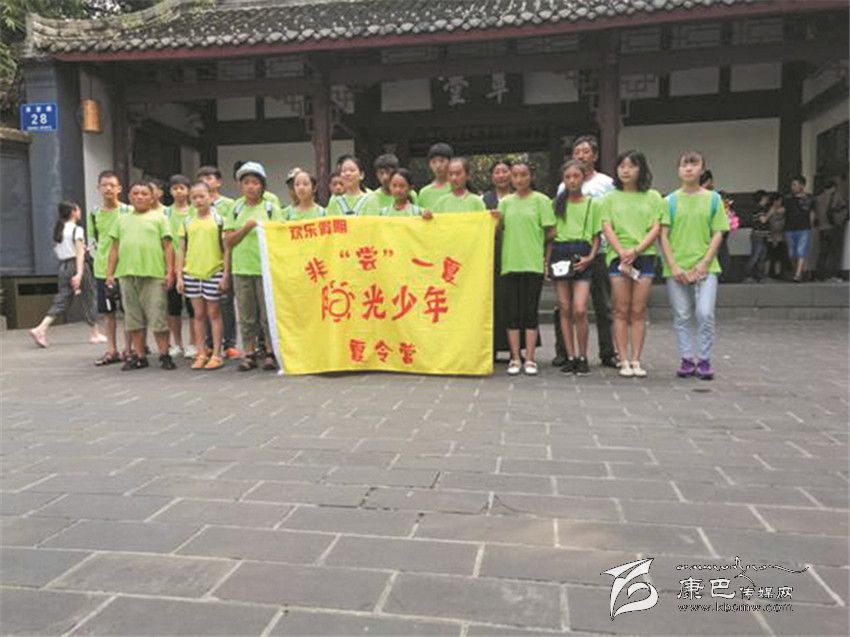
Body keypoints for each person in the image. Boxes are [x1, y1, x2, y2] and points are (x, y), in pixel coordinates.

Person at [660, 151, 730, 381]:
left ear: (702, 169)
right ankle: (687, 358)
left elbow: (718, 232)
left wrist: (705, 263)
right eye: (684, 165)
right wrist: (673, 266)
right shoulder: (669, 201)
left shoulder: (713, 199)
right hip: (676, 267)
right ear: (678, 170)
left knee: (705, 313)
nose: (689, 168)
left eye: (694, 164)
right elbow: (663, 235)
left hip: (706, 267)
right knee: (681, 315)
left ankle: (705, 359)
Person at [554, 135, 617, 369]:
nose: (581, 155)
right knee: (564, 306)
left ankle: (607, 352)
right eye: (577, 151)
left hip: (597, 251)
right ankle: (565, 353)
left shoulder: (606, 183)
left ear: (595, 155)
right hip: (564, 252)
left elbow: (610, 215)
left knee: (602, 303)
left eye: (586, 151)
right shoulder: (562, 189)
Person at [601, 150, 663, 379]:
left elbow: (656, 227)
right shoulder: (609, 198)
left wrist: (637, 250)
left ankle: (636, 359)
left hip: (644, 256)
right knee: (620, 309)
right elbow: (606, 226)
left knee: (638, 310)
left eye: (631, 166)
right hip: (618, 257)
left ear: (641, 169)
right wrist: (622, 251)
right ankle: (623, 359)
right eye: (622, 166)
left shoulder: (653, 197)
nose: (626, 170)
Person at [106, 182, 176, 371]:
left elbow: (168, 247)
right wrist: (110, 273)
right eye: (135, 193)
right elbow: (114, 249)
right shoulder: (121, 220)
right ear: (129, 196)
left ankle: (164, 354)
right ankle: (139, 355)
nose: (139, 197)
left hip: (154, 274)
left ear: (152, 197)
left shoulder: (160, 218)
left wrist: (170, 271)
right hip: (127, 274)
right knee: (133, 317)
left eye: (144, 194)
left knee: (158, 316)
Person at [497, 160, 556, 376]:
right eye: (515, 175)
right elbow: (497, 229)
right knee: (512, 313)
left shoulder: (541, 201)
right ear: (510, 178)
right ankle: (515, 358)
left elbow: (551, 232)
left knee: (530, 312)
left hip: (532, 263)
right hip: (510, 263)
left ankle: (530, 358)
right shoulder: (505, 203)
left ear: (531, 176)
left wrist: (544, 257)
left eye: (524, 175)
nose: (519, 179)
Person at [224, 161, 283, 371]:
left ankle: (270, 352)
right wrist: (246, 229)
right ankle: (248, 353)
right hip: (242, 268)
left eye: (255, 182)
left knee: (267, 314)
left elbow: (280, 235)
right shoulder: (236, 207)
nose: (250, 187)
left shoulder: (270, 208)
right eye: (246, 182)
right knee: (246, 315)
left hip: (265, 269)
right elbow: (228, 240)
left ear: (262, 185)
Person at [546, 160, 601, 376]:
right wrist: (546, 262)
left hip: (582, 252)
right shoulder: (556, 204)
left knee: (580, 308)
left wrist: (591, 257)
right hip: (560, 252)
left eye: (576, 176)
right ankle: (570, 355)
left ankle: (583, 355)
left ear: (583, 178)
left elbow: (596, 236)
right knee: (564, 307)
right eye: (567, 177)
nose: (572, 181)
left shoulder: (592, 204)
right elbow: (550, 237)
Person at [29, 202, 104, 348]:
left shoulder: (59, 228)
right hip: (77, 265)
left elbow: (64, 250)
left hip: (63, 266)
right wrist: (79, 273)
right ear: (73, 212)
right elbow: (79, 254)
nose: (80, 212)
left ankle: (41, 328)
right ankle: (95, 333)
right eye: (78, 209)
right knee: (89, 297)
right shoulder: (77, 229)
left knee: (63, 298)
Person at [176, 181, 228, 370]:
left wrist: (225, 275)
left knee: (214, 313)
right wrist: (179, 276)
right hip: (192, 273)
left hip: (214, 271)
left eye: (202, 196)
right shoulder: (187, 222)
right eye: (194, 197)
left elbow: (226, 250)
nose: (198, 200)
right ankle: (201, 353)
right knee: (198, 314)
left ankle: (217, 353)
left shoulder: (220, 220)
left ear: (210, 197)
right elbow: (181, 250)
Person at [87, 170, 132, 366]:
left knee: (129, 312)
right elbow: (93, 241)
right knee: (108, 312)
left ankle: (129, 349)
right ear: (98, 188)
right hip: (102, 270)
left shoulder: (128, 211)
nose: (108, 189)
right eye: (104, 185)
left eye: (112, 185)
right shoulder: (94, 213)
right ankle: (111, 349)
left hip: (127, 268)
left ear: (119, 188)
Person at [197, 165, 240, 359]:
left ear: (219, 182)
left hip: (224, 259)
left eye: (210, 177)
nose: (206, 181)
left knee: (226, 304)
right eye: (202, 178)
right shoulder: (196, 204)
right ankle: (209, 343)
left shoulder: (230, 205)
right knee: (206, 306)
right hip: (203, 261)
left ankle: (229, 344)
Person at [483, 159, 515, 357]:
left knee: (514, 300)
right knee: (493, 301)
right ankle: (492, 348)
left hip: (514, 253)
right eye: (497, 172)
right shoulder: (484, 200)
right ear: (492, 176)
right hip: (491, 256)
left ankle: (515, 350)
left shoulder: (519, 197)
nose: (501, 175)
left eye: (505, 171)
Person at [164, 174, 196, 359]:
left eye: (182, 188)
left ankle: (193, 343)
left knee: (193, 308)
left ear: (188, 190)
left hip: (192, 265)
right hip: (171, 266)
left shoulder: (194, 211)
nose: (178, 191)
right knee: (173, 308)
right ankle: (177, 343)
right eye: (175, 188)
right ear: (170, 191)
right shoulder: (166, 213)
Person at [813, 177, 848, 281]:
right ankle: (831, 274)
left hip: (822, 228)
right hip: (833, 227)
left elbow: (816, 214)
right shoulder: (836, 196)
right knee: (834, 252)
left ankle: (819, 275)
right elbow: (845, 209)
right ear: (833, 187)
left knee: (823, 252)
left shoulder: (818, 198)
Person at [783, 175, 815, 282]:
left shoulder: (809, 199)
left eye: (795, 184)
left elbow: (812, 212)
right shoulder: (787, 199)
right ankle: (797, 270)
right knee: (791, 253)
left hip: (804, 228)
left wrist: (811, 225)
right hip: (789, 228)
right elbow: (783, 211)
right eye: (792, 185)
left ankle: (797, 275)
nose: (792, 187)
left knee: (801, 251)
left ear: (802, 185)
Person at [746, 190, 773, 282]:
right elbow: (763, 220)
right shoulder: (758, 208)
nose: (767, 199)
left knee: (762, 257)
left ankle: (759, 276)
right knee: (755, 256)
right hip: (758, 235)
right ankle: (748, 275)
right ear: (762, 198)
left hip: (763, 235)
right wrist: (771, 212)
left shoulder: (763, 208)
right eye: (766, 197)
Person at [417, 143, 453, 211]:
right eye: (434, 162)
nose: (438, 166)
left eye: (442, 161)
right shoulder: (424, 192)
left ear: (450, 162)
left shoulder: (457, 189)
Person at [766, 195, 788, 279]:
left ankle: (778, 273)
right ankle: (769, 273)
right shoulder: (771, 210)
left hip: (781, 236)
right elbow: (768, 222)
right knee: (771, 256)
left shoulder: (782, 210)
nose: (779, 202)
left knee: (779, 257)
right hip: (772, 236)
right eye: (778, 201)